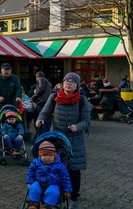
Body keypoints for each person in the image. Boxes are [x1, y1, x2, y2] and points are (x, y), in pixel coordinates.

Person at [36, 72, 91, 209]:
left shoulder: (82, 100)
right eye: (67, 81)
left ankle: (73, 197)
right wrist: (40, 119)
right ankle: (57, 195)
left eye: (73, 82)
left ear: (77, 86)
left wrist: (77, 127)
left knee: (74, 170)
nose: (69, 83)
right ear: (63, 83)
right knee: (55, 167)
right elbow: (45, 112)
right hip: (57, 138)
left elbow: (86, 121)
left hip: (75, 139)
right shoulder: (54, 96)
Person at [26, 141, 72, 209]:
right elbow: (30, 172)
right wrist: (29, 181)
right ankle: (33, 204)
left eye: (50, 156)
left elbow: (65, 178)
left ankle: (47, 206)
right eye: (44, 155)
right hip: (39, 182)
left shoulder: (60, 165)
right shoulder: (36, 162)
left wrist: (67, 189)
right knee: (33, 188)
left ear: (54, 155)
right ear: (40, 155)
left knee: (53, 192)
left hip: (53, 184)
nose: (47, 158)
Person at [31, 71, 53, 136]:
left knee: (40, 119)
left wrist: (33, 97)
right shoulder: (49, 83)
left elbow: (40, 89)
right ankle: (47, 135)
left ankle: (41, 135)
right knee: (47, 120)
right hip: (48, 102)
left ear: (37, 77)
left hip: (42, 102)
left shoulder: (41, 80)